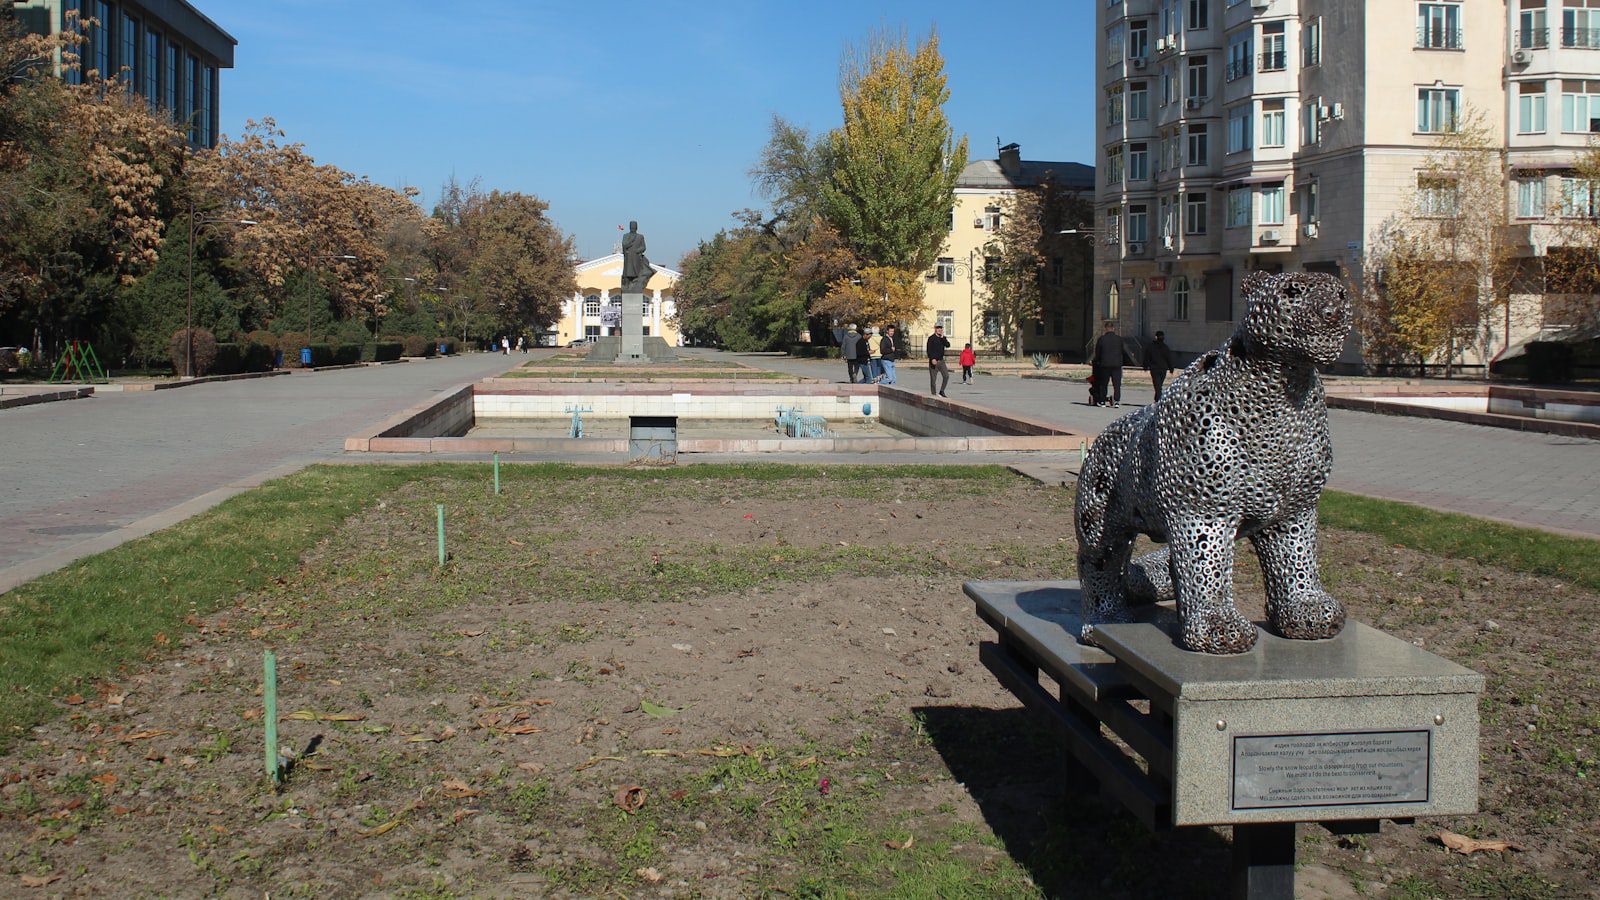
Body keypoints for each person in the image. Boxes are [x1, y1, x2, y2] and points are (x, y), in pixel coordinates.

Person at [1091, 321, 1136, 407]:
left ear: (1106, 329)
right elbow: (1124, 352)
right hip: (1117, 364)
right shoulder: (1119, 339)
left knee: (1104, 383)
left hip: (1105, 364)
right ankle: (1116, 401)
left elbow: (1098, 353)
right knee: (1117, 384)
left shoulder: (1101, 339)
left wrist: (1096, 361)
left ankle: (1102, 401)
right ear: (1113, 328)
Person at [1144, 330, 1176, 401]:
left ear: (1156, 337)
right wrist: (1171, 368)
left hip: (1154, 369)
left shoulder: (1151, 347)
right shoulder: (1165, 347)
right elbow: (1169, 358)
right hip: (1162, 369)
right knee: (1159, 385)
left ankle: (1157, 399)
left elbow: (1147, 357)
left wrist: (1145, 366)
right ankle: (1158, 399)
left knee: (1158, 385)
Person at [926, 324, 951, 397]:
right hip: (933, 362)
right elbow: (929, 350)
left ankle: (942, 391)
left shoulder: (943, 338)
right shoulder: (931, 338)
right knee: (933, 380)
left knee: (946, 376)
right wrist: (932, 359)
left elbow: (948, 345)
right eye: (938, 328)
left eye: (941, 328)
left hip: (941, 361)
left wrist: (943, 338)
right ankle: (933, 394)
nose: (939, 329)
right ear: (935, 329)